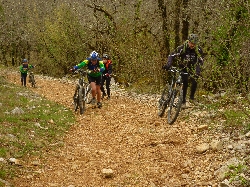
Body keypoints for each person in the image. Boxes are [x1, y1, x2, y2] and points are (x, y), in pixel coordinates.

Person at [162, 33, 204, 108]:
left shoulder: (199, 50)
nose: (192, 45)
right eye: (191, 43)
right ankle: (183, 101)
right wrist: (168, 64)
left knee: (195, 80)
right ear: (188, 41)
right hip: (182, 68)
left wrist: (198, 71)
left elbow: (200, 61)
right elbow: (171, 55)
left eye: (194, 44)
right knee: (185, 82)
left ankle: (191, 98)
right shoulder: (182, 48)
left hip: (192, 68)